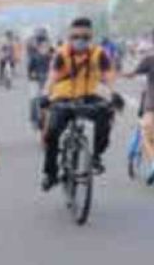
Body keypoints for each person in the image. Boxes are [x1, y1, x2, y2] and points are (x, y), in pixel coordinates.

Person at [39, 17, 121, 190]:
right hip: (63, 98)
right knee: (52, 133)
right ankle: (51, 173)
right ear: (70, 36)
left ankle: (97, 155)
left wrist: (113, 95)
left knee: (106, 115)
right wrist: (46, 95)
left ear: (90, 37)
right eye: (75, 36)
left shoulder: (99, 54)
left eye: (84, 37)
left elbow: (108, 77)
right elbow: (51, 78)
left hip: (89, 95)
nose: (80, 41)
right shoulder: (61, 54)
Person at [124, 41, 154, 184]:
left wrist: (118, 73)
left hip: (150, 105)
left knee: (144, 133)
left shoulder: (149, 60)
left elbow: (131, 74)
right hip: (147, 102)